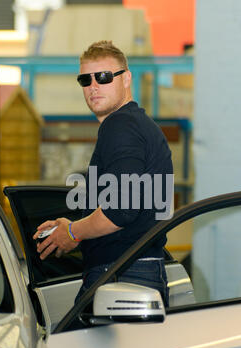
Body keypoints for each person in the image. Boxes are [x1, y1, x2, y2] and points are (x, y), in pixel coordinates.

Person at [33, 41, 173, 308]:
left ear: (127, 78)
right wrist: (75, 230)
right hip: (134, 273)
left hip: (122, 276)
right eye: (86, 79)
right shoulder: (136, 125)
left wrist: (73, 232)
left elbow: (120, 211)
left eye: (104, 77)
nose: (94, 86)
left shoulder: (120, 127)